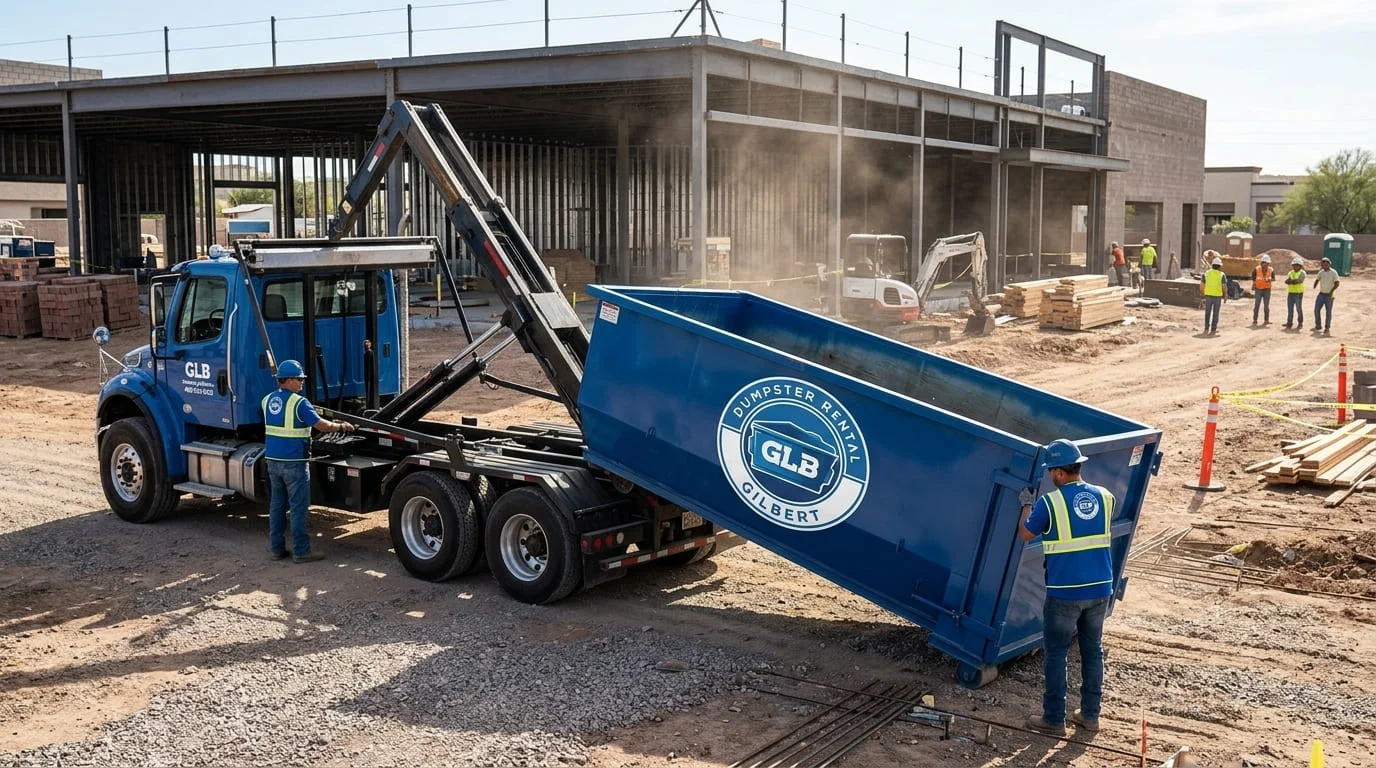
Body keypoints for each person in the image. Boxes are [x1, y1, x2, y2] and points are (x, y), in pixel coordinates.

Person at [1018, 439, 1117, 737]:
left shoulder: (1050, 503)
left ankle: (1054, 719)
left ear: (1060, 472)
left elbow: (1026, 534)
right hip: (1101, 588)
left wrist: (1026, 505)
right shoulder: (1105, 496)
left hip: (1065, 591)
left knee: (1057, 653)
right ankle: (1090, 715)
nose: (1051, 476)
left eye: (1052, 471)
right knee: (1092, 650)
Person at [262, 359, 355, 563]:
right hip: (294, 463)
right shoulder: (299, 402)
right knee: (298, 508)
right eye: (299, 379)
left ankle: (276, 550)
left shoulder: (267, 400)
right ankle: (302, 552)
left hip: (273, 461)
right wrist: (341, 427)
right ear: (288, 380)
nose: (302, 383)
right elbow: (321, 426)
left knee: (277, 506)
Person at [1312, 256, 1339, 335]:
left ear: (1329, 264)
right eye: (1323, 265)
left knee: (1328, 312)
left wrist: (1331, 291)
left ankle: (1327, 327)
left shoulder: (1334, 272)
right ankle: (1318, 325)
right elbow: (1318, 279)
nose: (1324, 266)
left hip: (1329, 296)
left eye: (1326, 264)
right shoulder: (1321, 272)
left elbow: (1337, 283)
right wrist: (1315, 284)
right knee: (1316, 310)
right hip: (1321, 294)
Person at [1200, 256, 1226, 335]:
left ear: (1212, 265)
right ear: (1219, 266)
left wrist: (1202, 293)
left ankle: (1206, 328)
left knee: (1207, 312)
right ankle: (1213, 329)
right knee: (1215, 313)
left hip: (1208, 296)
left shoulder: (1206, 273)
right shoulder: (1221, 275)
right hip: (1217, 297)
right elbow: (1224, 286)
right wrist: (1225, 295)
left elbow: (1201, 285)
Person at [1251, 254, 1275, 326]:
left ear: (1268, 264)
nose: (1264, 264)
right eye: (1263, 263)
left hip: (1267, 289)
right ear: (1261, 263)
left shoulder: (1271, 270)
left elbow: (1274, 278)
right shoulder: (1256, 269)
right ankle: (1255, 320)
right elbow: (1253, 277)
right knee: (1257, 305)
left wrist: (1270, 279)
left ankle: (1266, 320)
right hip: (1258, 289)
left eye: (1266, 263)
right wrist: (1253, 284)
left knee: (1266, 306)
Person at [1283, 256, 1306, 330]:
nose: (1294, 267)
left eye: (1296, 265)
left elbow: (1299, 281)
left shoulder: (1302, 273)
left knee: (1298, 308)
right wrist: (1290, 281)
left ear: (1300, 266)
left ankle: (1300, 323)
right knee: (1290, 309)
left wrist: (1291, 281)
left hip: (1298, 293)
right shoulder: (1290, 273)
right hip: (1291, 293)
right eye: (1293, 265)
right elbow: (1287, 281)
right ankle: (1289, 323)